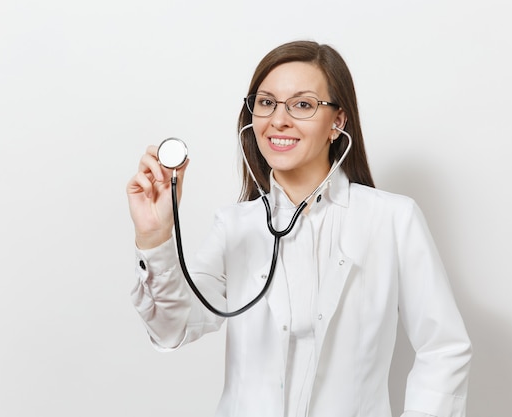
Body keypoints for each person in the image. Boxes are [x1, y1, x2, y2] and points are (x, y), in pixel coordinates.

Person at [126, 40, 472, 417]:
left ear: (337, 121)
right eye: (266, 102)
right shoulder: (234, 227)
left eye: (303, 104)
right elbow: (171, 330)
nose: (279, 119)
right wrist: (155, 236)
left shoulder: (392, 219)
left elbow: (444, 348)